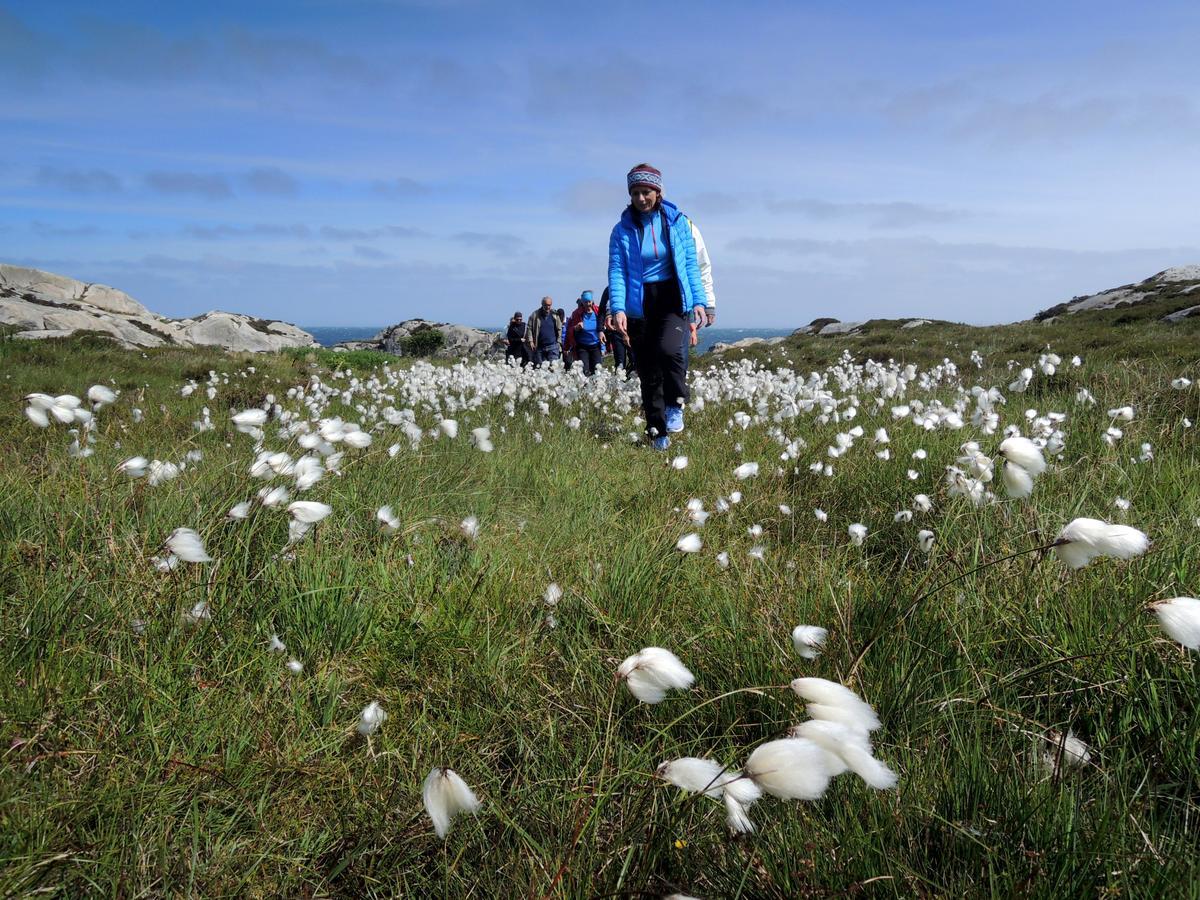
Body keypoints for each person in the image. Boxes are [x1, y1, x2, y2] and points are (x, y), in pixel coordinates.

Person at [606, 163, 706, 450]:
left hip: (672, 297)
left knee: (671, 350)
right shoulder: (621, 230)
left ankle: (676, 404)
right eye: (635, 192)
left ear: (658, 192)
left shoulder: (677, 222)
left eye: (646, 191)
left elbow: (690, 265)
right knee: (648, 373)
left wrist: (698, 300)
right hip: (639, 303)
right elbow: (617, 271)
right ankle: (657, 435)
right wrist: (618, 308)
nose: (640, 198)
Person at [565, 290, 604, 376]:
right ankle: (586, 387)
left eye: (589, 302)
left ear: (592, 301)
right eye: (585, 302)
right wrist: (576, 328)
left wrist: (603, 348)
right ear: (582, 302)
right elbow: (569, 330)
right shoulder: (576, 314)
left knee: (597, 370)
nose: (588, 304)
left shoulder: (598, 312)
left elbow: (602, 329)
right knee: (584, 370)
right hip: (582, 347)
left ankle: (596, 388)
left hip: (596, 345)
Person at [598, 287, 632, 374]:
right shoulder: (609, 289)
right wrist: (600, 330)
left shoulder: (633, 283)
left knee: (636, 360)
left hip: (633, 327)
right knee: (620, 363)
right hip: (615, 329)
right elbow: (602, 309)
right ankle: (619, 385)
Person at [525, 296, 563, 366]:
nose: (547, 307)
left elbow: (559, 328)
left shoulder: (555, 315)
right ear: (542, 304)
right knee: (540, 370)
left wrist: (559, 342)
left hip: (553, 346)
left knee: (553, 368)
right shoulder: (534, 315)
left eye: (549, 305)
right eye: (545, 305)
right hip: (539, 347)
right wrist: (531, 341)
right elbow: (529, 328)